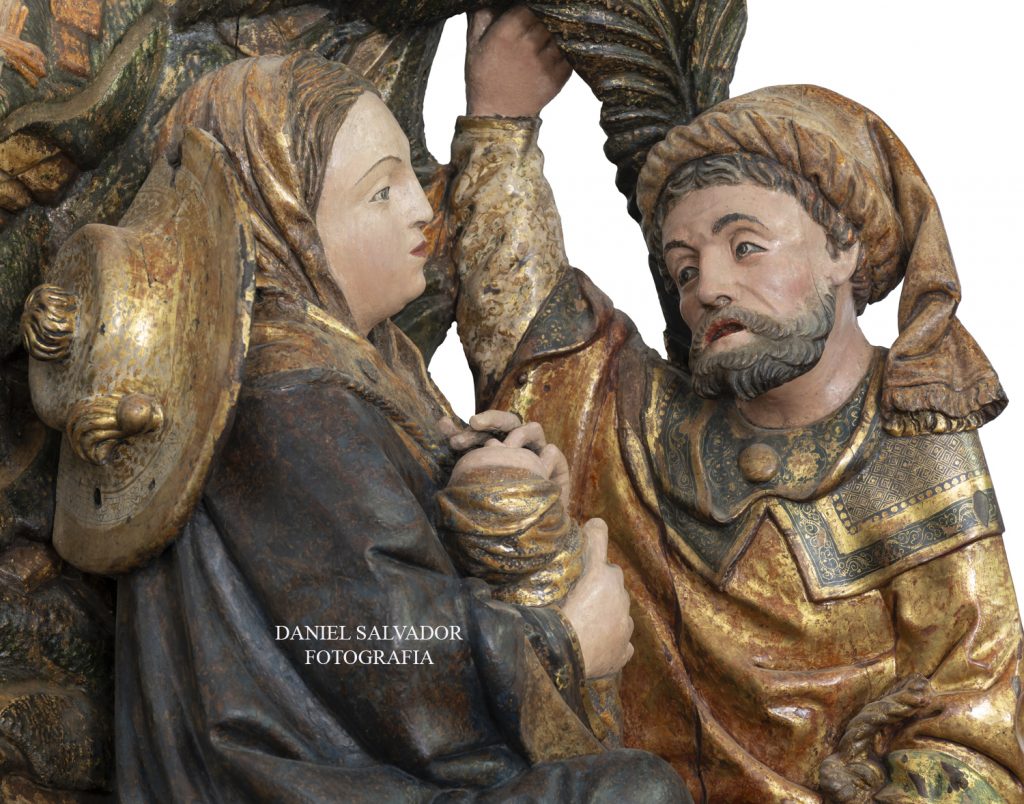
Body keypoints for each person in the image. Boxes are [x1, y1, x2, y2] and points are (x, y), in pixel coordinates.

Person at [449, 7, 1024, 801]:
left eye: (745, 246)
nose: (708, 288)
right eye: (684, 269)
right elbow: (526, 331)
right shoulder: (636, 424)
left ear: (843, 247)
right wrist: (499, 124)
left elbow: (975, 722)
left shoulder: (910, 440)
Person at [112, 51, 689, 802]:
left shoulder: (369, 358)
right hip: (296, 778)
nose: (422, 207)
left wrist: (495, 488)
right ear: (282, 223)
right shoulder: (284, 393)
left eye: (409, 178)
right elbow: (379, 649)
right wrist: (562, 643)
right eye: (380, 191)